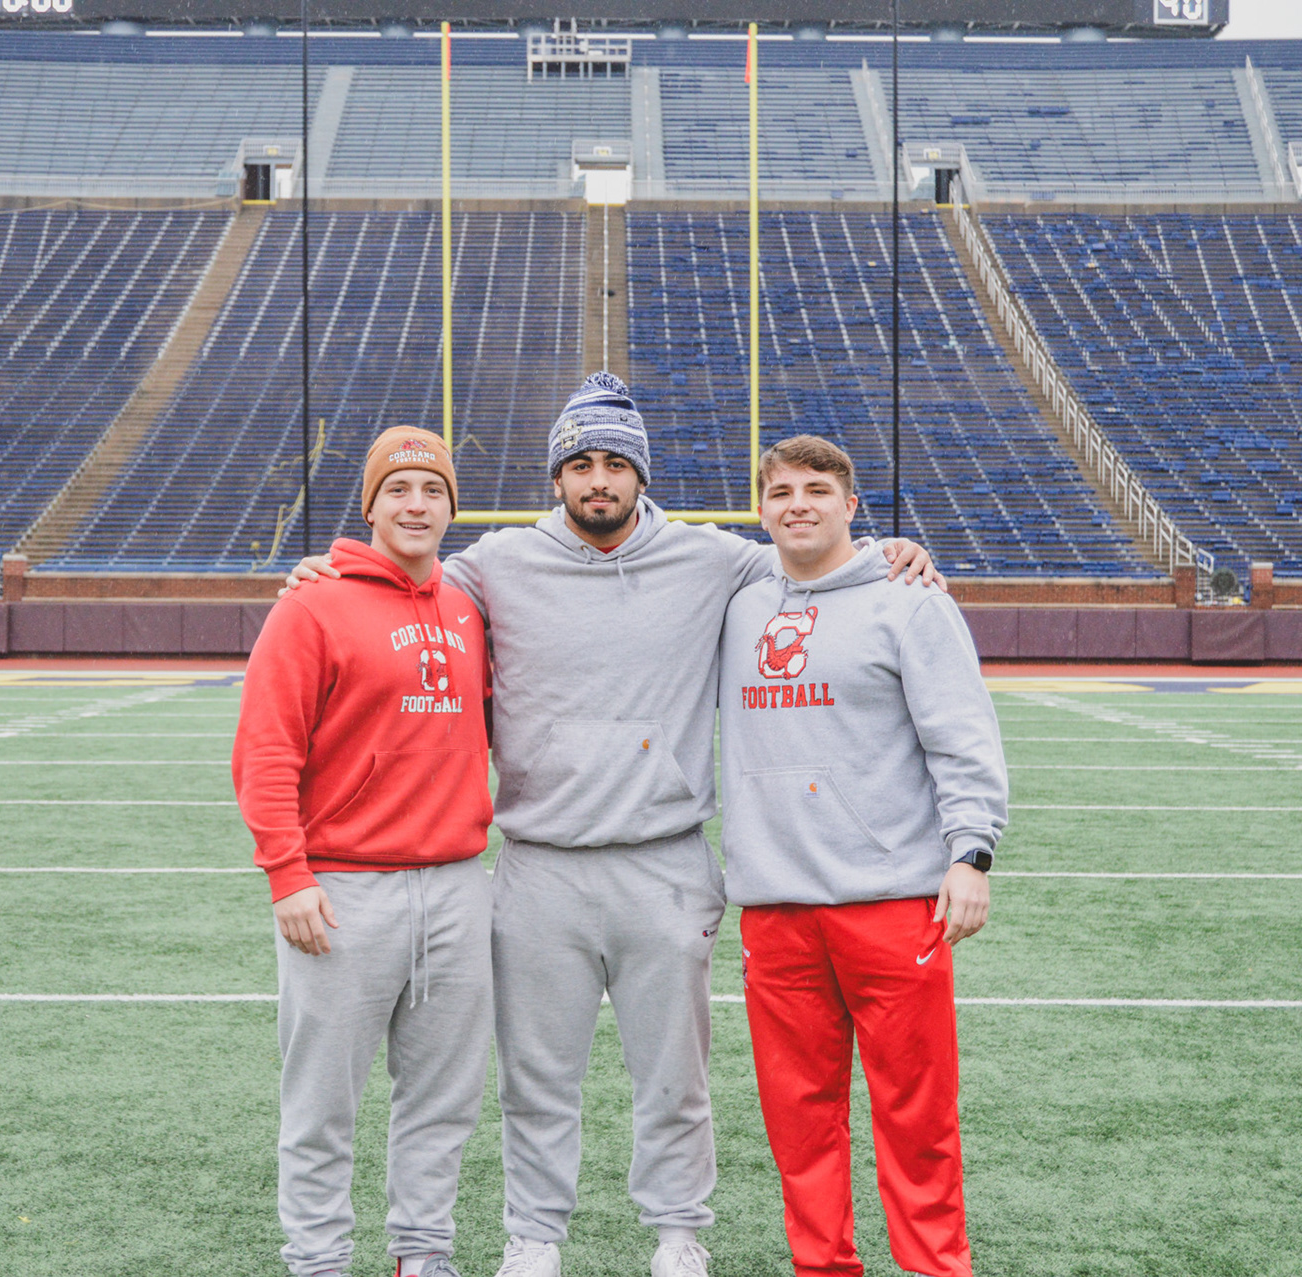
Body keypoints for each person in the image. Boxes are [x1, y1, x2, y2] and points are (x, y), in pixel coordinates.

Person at [283, 375, 943, 1277]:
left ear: (640, 473)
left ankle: (677, 1233)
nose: (599, 479)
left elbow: (814, 561)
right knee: (537, 1076)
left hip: (663, 859)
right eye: (582, 463)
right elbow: (401, 581)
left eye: (616, 464)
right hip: (540, 862)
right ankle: (534, 1237)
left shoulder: (712, 558)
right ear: (557, 476)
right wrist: (326, 569)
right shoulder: (494, 566)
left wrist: (889, 551)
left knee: (674, 1077)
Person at [718, 435, 1006, 1277]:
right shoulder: (736, 600)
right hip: (776, 907)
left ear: (851, 505)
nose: (797, 504)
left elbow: (962, 736)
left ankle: (935, 1267)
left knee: (917, 1117)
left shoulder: (907, 599)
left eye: (816, 489)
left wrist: (971, 853)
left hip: (890, 901)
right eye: (780, 492)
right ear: (760, 509)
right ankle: (823, 1267)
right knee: (798, 1121)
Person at [233, 426, 494, 1277]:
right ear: (370, 505)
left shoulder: (468, 606)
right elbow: (266, 749)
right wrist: (287, 875)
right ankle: (317, 1259)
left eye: (433, 490)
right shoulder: (311, 605)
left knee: (443, 1098)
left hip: (456, 884)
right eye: (398, 490)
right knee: (322, 1102)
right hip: (344, 889)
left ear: (452, 506)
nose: (416, 506)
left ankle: (422, 1253)